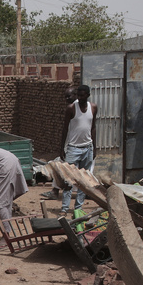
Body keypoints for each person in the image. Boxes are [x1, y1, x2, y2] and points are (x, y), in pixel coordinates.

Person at [60, 84, 97, 216]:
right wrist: (62, 148)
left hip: (88, 148)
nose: (80, 98)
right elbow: (65, 129)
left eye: (82, 95)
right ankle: (64, 209)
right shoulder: (71, 109)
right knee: (68, 180)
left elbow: (93, 127)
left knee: (83, 181)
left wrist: (94, 147)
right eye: (78, 95)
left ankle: (78, 208)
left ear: (87, 95)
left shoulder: (93, 108)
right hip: (73, 148)